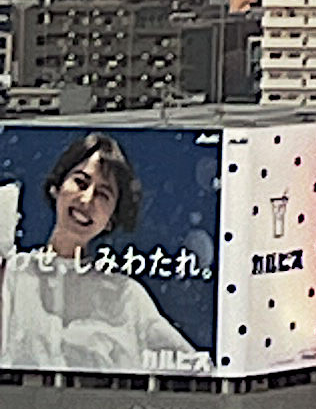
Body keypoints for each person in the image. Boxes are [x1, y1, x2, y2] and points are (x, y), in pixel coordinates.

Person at [0, 134, 207, 374]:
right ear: (56, 187)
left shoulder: (126, 296)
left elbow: (194, 367)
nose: (86, 199)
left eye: (103, 195)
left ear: (110, 220)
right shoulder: (12, 274)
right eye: (80, 182)